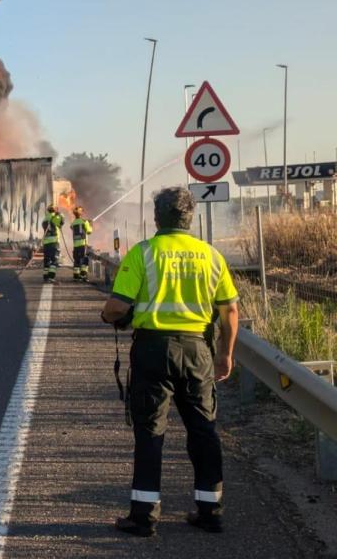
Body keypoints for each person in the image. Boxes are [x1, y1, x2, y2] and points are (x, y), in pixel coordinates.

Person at [101, 187, 239, 537]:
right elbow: (230, 310)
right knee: (204, 431)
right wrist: (225, 354)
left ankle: (144, 517)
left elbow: (116, 308)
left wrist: (113, 317)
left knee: (150, 433)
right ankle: (211, 511)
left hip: (153, 351)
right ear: (189, 217)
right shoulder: (211, 256)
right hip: (198, 353)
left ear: (157, 217)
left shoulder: (144, 253)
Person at [41, 205, 64, 283]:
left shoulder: (45, 218)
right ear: (54, 210)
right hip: (54, 242)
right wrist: (60, 215)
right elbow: (61, 222)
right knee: (54, 260)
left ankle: (45, 277)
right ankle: (51, 277)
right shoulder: (54, 217)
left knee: (47, 260)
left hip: (46, 242)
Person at [70, 206, 94, 282]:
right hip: (83, 244)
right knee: (84, 260)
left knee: (77, 260)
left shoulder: (73, 223)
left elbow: (71, 227)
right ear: (81, 213)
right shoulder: (84, 221)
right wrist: (90, 224)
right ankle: (83, 276)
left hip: (75, 245)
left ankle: (76, 277)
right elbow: (89, 231)